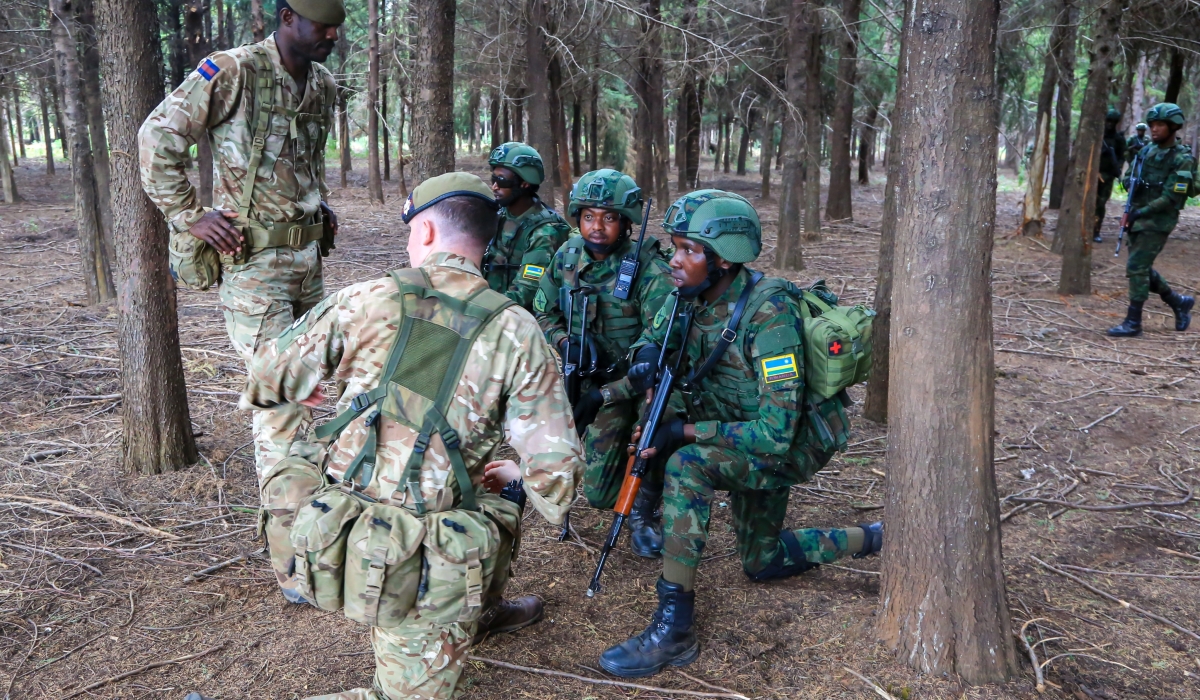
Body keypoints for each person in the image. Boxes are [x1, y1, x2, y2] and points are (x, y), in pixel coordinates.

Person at [215, 173, 581, 700]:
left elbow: (268, 375)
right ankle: (458, 618)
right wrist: (521, 475)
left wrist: (311, 388)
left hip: (341, 523)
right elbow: (557, 480)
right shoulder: (519, 332)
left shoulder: (365, 299)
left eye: (411, 232)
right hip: (424, 550)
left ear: (427, 232)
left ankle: (474, 615)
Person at [597, 190, 882, 678]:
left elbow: (776, 433)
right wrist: (640, 363)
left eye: (689, 249)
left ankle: (674, 627)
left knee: (687, 464)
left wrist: (684, 432)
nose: (675, 260)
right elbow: (655, 340)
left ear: (724, 258)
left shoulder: (770, 318)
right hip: (732, 424)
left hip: (786, 445)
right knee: (762, 561)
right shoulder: (685, 295)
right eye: (674, 246)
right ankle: (875, 537)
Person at [139, 0, 344, 602]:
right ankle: (293, 565)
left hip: (307, 266)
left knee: (311, 396)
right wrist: (189, 214)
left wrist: (318, 207)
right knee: (281, 403)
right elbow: (158, 136)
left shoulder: (323, 82)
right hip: (253, 269)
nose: (331, 36)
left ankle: (316, 531)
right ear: (286, 17)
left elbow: (303, 164)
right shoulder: (230, 71)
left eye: (337, 27)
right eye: (320, 25)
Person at [533, 169, 676, 557]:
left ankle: (645, 512)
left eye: (609, 217)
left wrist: (605, 395)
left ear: (626, 222)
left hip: (641, 383)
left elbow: (661, 346)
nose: (598, 227)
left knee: (649, 440)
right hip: (593, 380)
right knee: (597, 493)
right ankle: (627, 485)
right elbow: (543, 311)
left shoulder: (649, 268)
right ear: (577, 218)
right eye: (589, 216)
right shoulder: (566, 256)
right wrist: (565, 342)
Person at [1109, 103, 1195, 338]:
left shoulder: (1182, 158)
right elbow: (1130, 175)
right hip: (1137, 214)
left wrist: (1141, 212)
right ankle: (1178, 302)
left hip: (1158, 220)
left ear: (1172, 127)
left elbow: (1170, 197)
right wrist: (1129, 183)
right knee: (1141, 267)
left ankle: (1133, 321)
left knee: (1136, 268)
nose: (1154, 129)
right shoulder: (1146, 151)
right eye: (1152, 125)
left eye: (1160, 125)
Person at [483, 142, 572, 309]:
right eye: (494, 179)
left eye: (502, 181)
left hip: (522, 321)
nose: (494, 187)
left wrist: (480, 308)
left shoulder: (545, 232)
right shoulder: (498, 215)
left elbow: (525, 292)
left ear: (525, 183)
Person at [1095, 107, 1127, 243]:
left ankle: (1095, 230)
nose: (1110, 124)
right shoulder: (1097, 135)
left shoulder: (1118, 139)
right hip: (1092, 174)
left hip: (1107, 176)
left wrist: (1117, 167)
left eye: (1113, 122)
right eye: (1108, 121)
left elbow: (1122, 156)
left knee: (1100, 204)